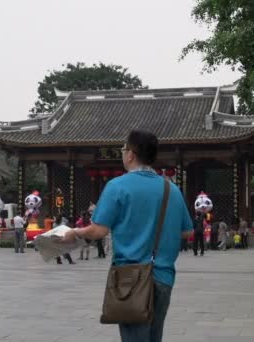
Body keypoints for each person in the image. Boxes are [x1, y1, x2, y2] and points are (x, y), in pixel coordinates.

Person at [61, 130, 193, 342]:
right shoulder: (172, 189)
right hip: (164, 277)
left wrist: (74, 232)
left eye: (123, 149)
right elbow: (187, 231)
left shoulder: (117, 186)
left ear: (130, 154)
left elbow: (98, 230)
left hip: (130, 278)